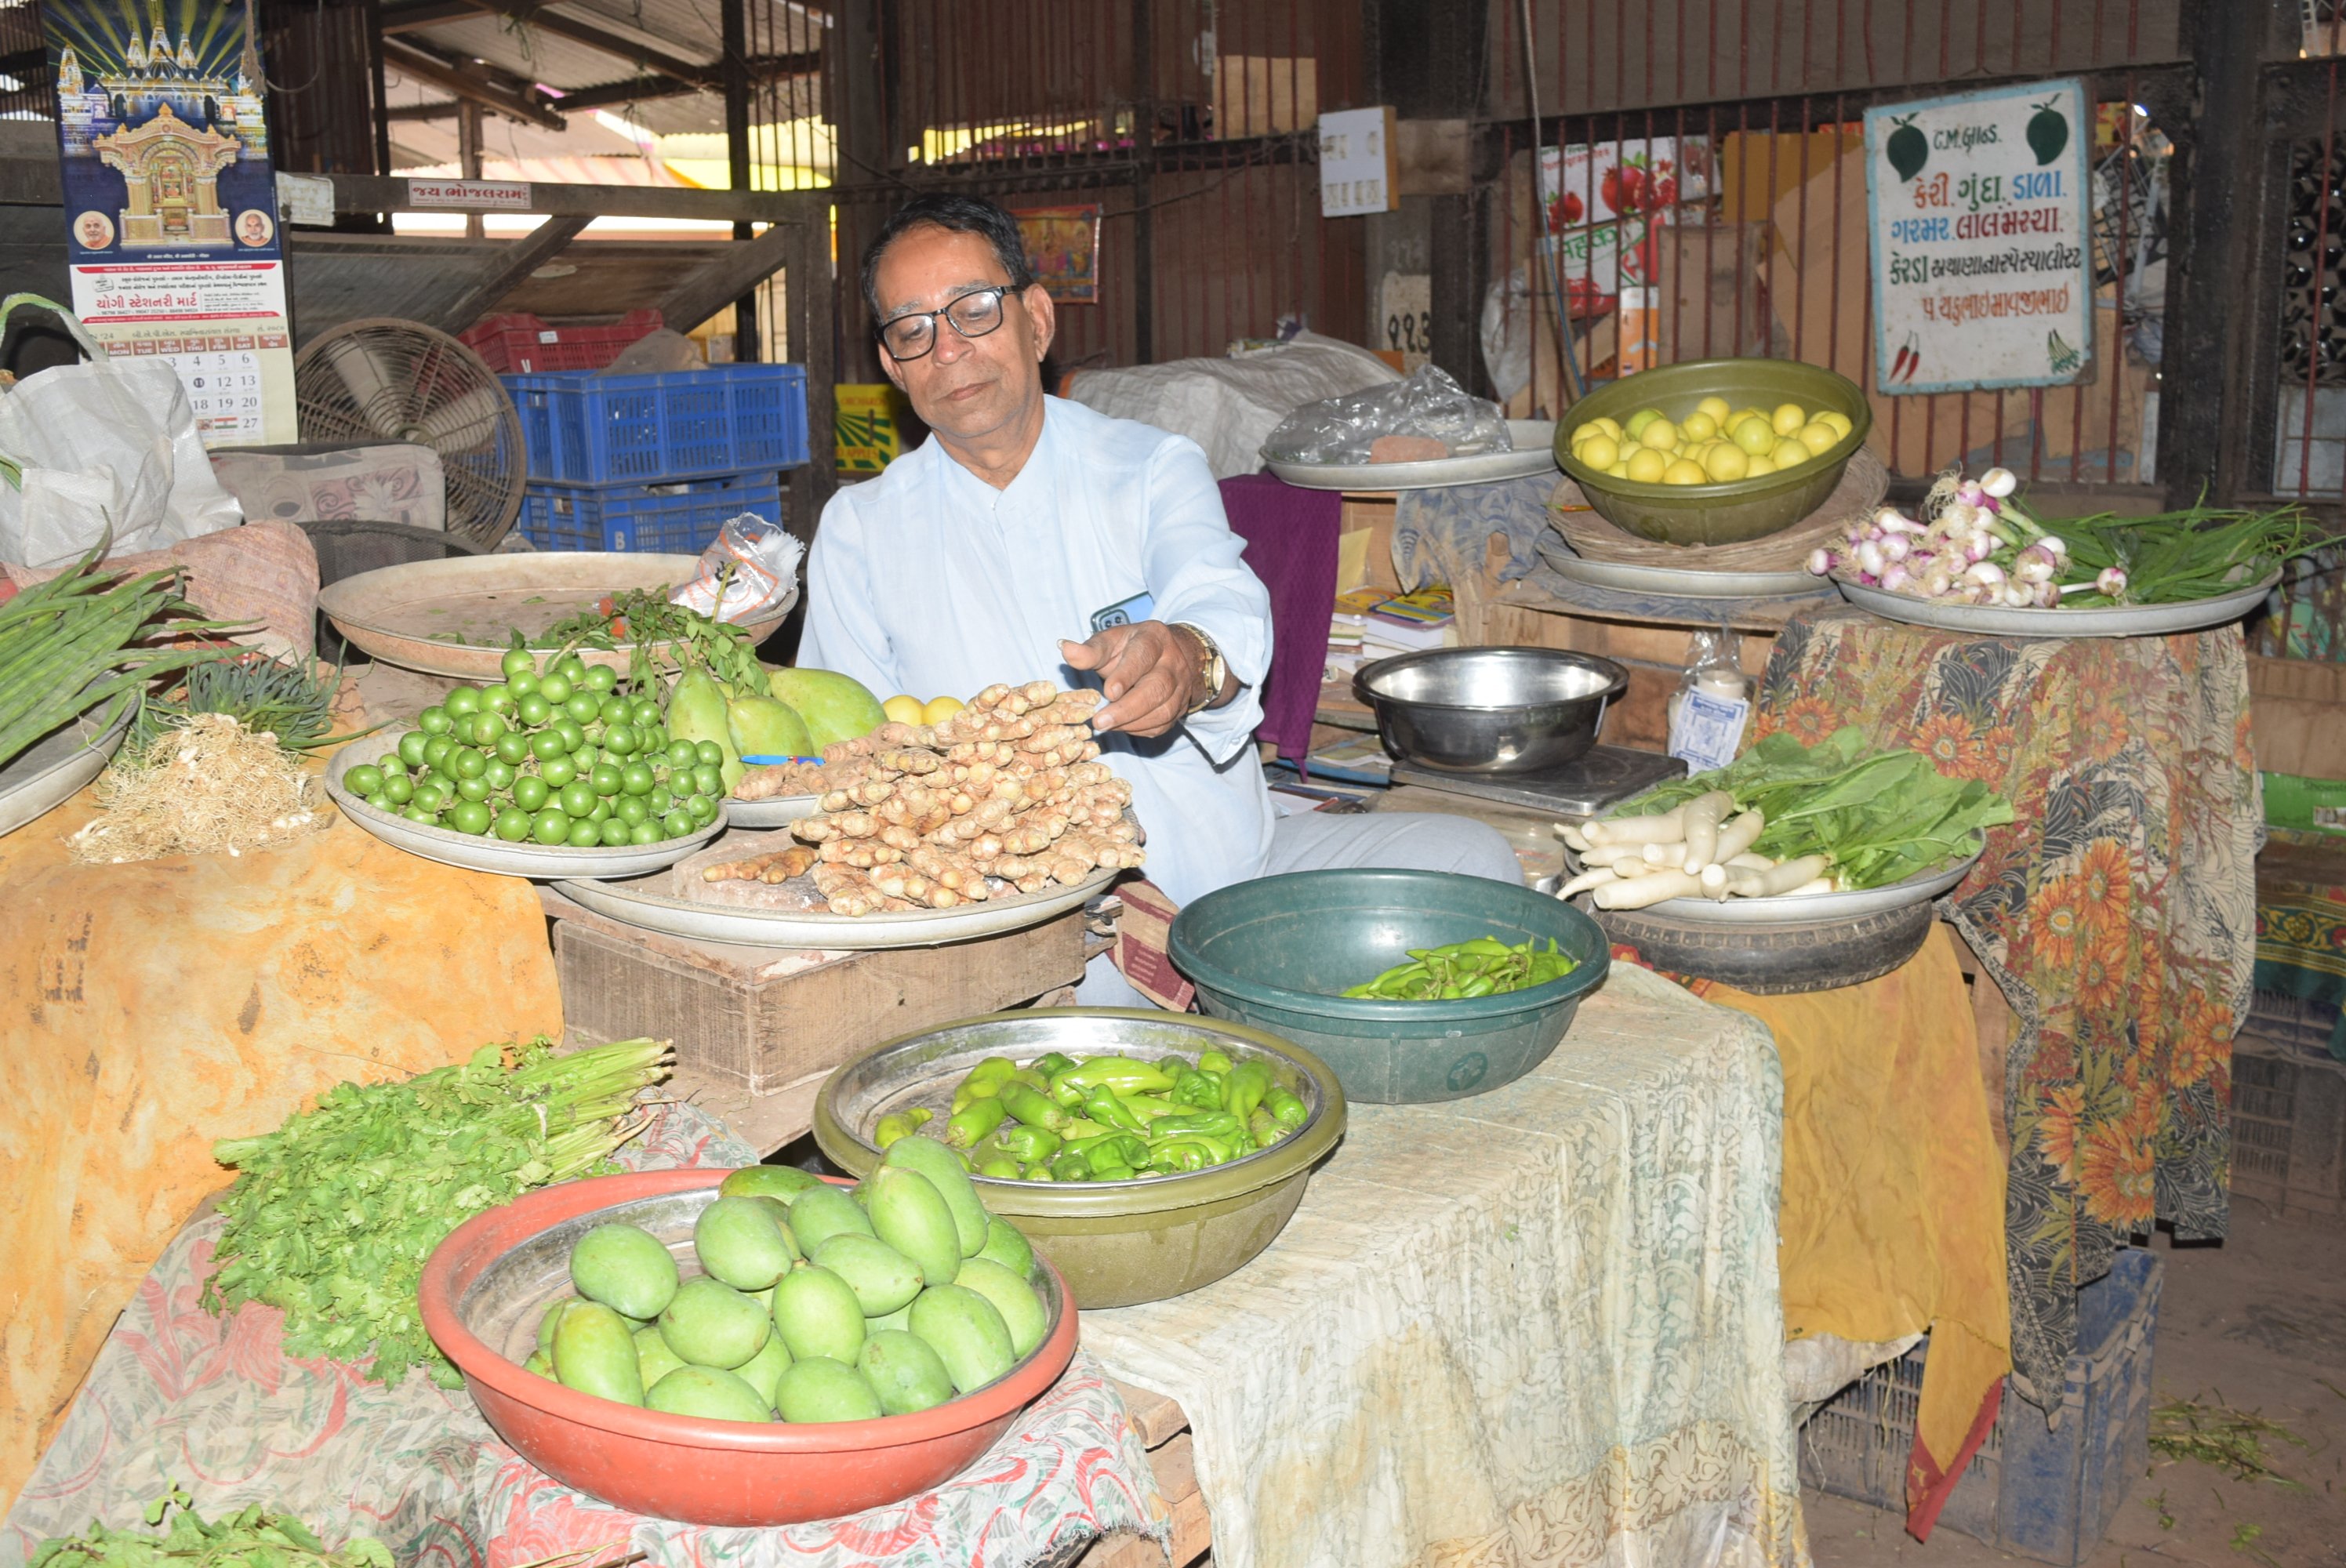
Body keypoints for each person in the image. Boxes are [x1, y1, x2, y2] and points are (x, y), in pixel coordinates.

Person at [798, 193, 1522, 1004]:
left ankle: (1239, 995)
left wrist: (1184, 657)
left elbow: (1217, 597)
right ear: (892, 365)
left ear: (1036, 320)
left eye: (973, 310)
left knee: (1477, 866)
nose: (948, 350)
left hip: (1233, 878)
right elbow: (848, 758)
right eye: (913, 329)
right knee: (1092, 994)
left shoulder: (1146, 466)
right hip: (1036, 921)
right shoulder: (861, 529)